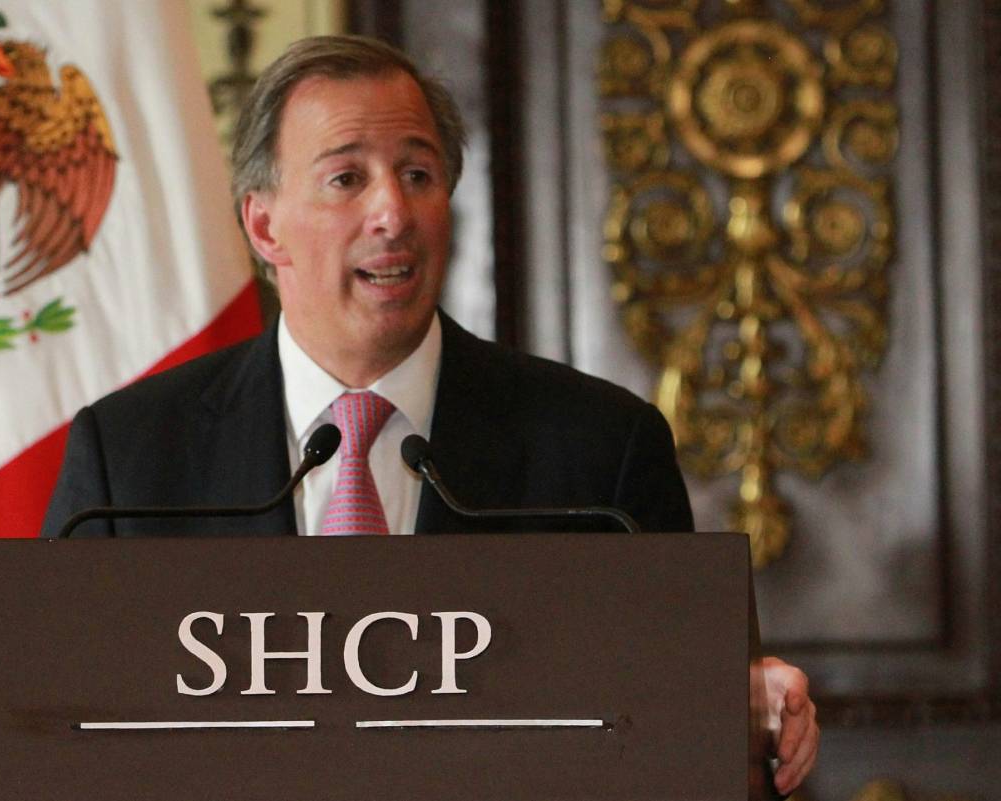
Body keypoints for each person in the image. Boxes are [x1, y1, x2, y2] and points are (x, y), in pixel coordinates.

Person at [41, 34, 818, 793]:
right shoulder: (131, 455)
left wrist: (733, 706)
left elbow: (666, 717)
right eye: (347, 178)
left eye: (417, 173)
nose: (393, 211)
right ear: (265, 226)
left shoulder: (600, 448)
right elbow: (54, 733)